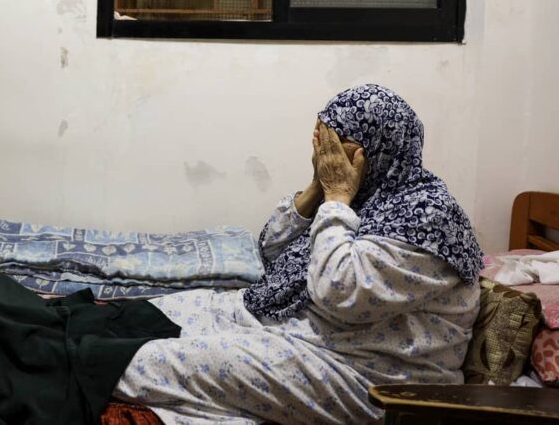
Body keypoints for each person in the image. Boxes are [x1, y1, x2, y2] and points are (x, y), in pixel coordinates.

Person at [113, 84, 484, 424]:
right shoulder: (372, 195)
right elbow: (272, 252)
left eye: (334, 143)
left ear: (375, 149)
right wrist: (317, 190)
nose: (325, 153)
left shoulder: (429, 217)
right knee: (139, 317)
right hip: (313, 335)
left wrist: (338, 195)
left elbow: (339, 291)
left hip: (372, 376)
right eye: (321, 142)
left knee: (138, 364)